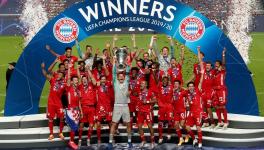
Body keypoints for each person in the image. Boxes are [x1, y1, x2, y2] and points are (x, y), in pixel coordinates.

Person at [108, 56, 133, 149]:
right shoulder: (115, 82)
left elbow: (128, 71)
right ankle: (110, 142)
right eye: (120, 77)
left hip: (125, 106)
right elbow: (113, 72)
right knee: (114, 123)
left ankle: (129, 142)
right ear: (117, 78)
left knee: (128, 124)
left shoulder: (126, 82)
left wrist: (127, 63)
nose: (121, 78)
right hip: (117, 106)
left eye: (123, 77)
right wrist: (114, 62)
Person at [185, 46, 204, 148]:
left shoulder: (198, 89)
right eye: (190, 86)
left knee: (198, 128)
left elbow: (200, 80)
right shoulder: (187, 92)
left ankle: (200, 142)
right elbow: (178, 90)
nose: (191, 87)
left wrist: (201, 75)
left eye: (192, 85)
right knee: (187, 127)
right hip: (191, 112)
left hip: (198, 112)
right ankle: (194, 138)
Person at [41, 62, 65, 141]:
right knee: (50, 118)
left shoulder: (64, 84)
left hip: (58, 103)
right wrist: (43, 68)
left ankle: (61, 132)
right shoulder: (53, 80)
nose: (59, 75)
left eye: (61, 75)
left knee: (61, 118)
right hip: (51, 103)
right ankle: (51, 134)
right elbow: (45, 75)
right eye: (58, 74)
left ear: (63, 77)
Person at [78, 66, 97, 147]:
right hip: (83, 108)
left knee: (91, 124)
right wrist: (78, 69)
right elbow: (79, 77)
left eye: (86, 79)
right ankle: (79, 139)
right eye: (83, 80)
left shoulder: (91, 85)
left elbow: (93, 79)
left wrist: (88, 70)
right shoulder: (80, 87)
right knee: (81, 124)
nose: (84, 80)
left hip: (92, 108)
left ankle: (88, 139)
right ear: (81, 81)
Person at [65, 64, 82, 150]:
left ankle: (72, 141)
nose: (76, 81)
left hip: (77, 111)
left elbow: (79, 102)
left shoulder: (78, 90)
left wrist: (81, 111)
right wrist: (68, 69)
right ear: (71, 82)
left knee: (75, 127)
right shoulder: (69, 88)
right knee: (74, 127)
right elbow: (68, 78)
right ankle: (71, 142)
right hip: (71, 111)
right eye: (74, 80)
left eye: (77, 80)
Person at [137, 80, 157, 149]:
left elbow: (155, 100)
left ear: (146, 85)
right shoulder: (139, 92)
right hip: (140, 112)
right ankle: (143, 141)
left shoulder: (150, 92)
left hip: (147, 111)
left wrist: (148, 101)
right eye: (141, 83)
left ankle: (152, 142)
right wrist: (137, 106)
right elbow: (139, 100)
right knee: (139, 126)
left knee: (150, 126)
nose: (141, 84)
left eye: (142, 83)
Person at [214, 47, 228, 129]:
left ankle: (226, 122)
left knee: (222, 106)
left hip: (221, 90)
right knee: (216, 106)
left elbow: (224, 64)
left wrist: (223, 54)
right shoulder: (214, 72)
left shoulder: (222, 71)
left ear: (220, 65)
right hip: (215, 91)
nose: (215, 64)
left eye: (217, 64)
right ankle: (220, 121)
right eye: (215, 64)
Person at [157, 76, 174, 144]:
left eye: (166, 80)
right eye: (163, 80)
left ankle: (169, 134)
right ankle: (160, 137)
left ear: (168, 81)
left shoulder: (171, 87)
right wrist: (159, 103)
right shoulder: (159, 87)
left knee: (169, 122)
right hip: (162, 107)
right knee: (160, 122)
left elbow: (177, 90)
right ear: (162, 81)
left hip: (169, 106)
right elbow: (156, 95)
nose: (164, 81)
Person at [172, 80, 187, 146]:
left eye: (177, 84)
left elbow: (188, 92)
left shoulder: (183, 92)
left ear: (180, 85)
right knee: (176, 125)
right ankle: (180, 138)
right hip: (175, 111)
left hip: (182, 110)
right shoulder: (172, 93)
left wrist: (187, 103)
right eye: (174, 84)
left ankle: (188, 134)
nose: (175, 85)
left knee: (182, 124)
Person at [201, 61, 216, 128]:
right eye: (206, 65)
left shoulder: (213, 72)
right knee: (203, 108)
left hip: (210, 92)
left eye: (209, 65)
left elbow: (222, 67)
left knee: (209, 108)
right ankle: (206, 122)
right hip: (203, 91)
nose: (207, 66)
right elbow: (201, 81)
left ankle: (212, 123)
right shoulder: (203, 72)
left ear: (211, 67)